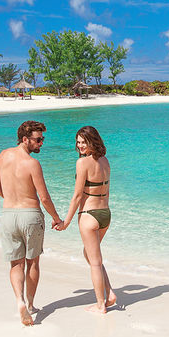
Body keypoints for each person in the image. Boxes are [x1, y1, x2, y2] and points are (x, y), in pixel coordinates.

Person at [0, 120, 63, 325]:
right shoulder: (32, 163)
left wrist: (12, 200)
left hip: (8, 215)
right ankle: (30, 305)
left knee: (15, 262)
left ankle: (19, 301)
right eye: (38, 140)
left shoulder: (2, 155)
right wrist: (56, 218)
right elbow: (44, 198)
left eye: (43, 139)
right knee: (32, 261)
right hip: (30, 215)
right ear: (25, 139)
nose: (41, 143)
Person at [54, 125, 118, 313]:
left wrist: (65, 221)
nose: (80, 145)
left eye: (84, 142)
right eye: (78, 142)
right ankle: (110, 292)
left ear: (93, 142)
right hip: (105, 214)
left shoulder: (82, 163)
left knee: (95, 262)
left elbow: (76, 196)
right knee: (91, 255)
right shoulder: (105, 161)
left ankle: (100, 304)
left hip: (89, 215)